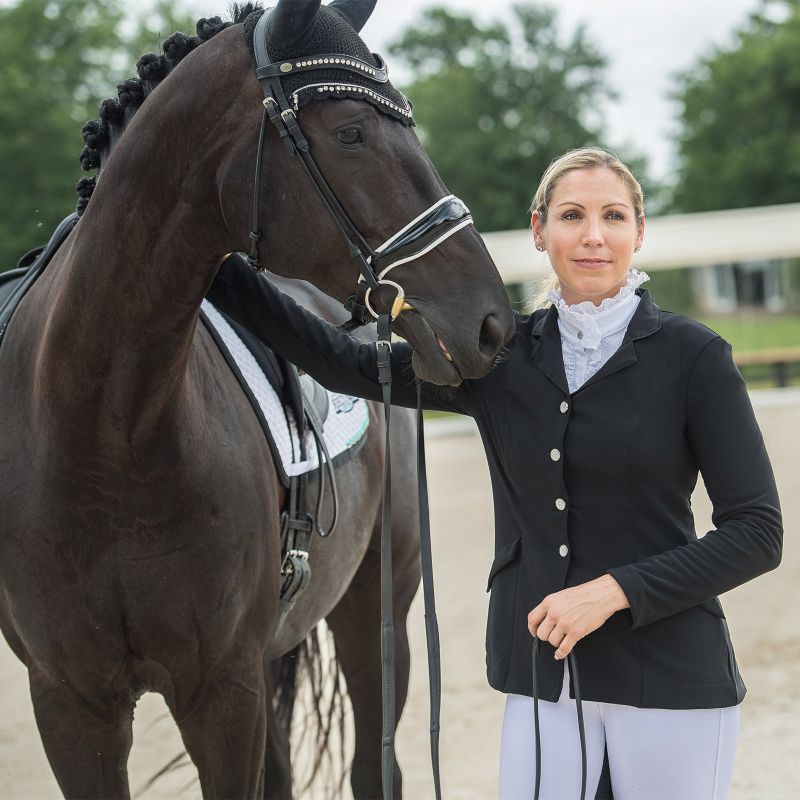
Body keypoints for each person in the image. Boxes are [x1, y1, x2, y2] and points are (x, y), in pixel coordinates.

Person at [206, 147, 782, 799]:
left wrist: (612, 591)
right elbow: (340, 362)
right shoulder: (499, 359)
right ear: (540, 231)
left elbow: (757, 533)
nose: (594, 235)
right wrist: (216, 263)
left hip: (673, 682)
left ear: (638, 232)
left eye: (613, 216)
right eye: (572, 215)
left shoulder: (696, 358)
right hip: (541, 682)